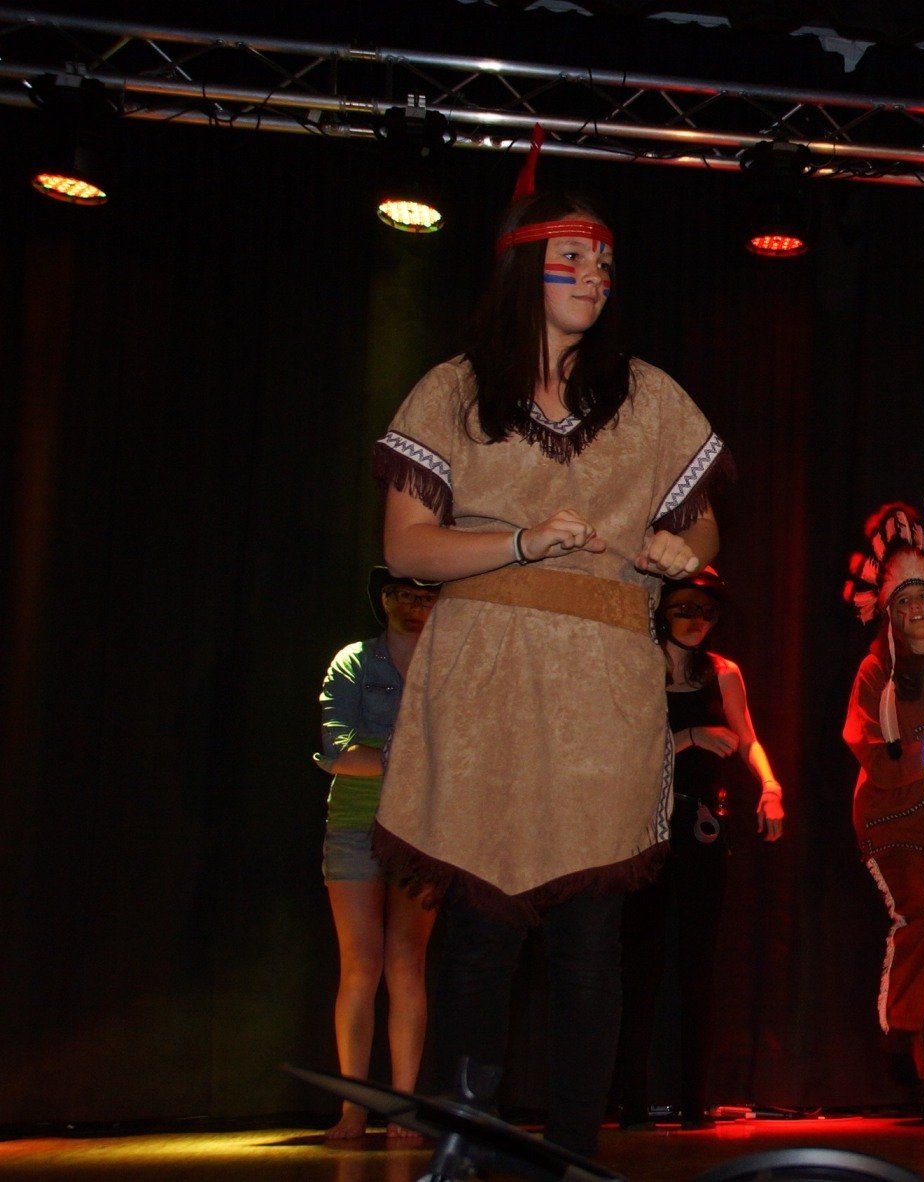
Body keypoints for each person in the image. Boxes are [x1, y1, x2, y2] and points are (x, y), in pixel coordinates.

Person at [370, 148, 729, 1157]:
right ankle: (461, 1145)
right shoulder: (453, 390)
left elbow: (703, 528)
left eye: (605, 262)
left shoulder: (649, 397)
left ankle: (573, 1153)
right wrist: (520, 542)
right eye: (573, 257)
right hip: (485, 677)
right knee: (481, 934)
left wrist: (683, 548)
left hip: (602, 688)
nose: (594, 277)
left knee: (588, 938)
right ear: (525, 264)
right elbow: (406, 547)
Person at [612, 568, 786, 1129]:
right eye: (685, 609)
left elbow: (747, 739)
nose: (696, 621)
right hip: (644, 825)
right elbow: (622, 746)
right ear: (662, 609)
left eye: (706, 613)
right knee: (640, 962)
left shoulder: (722, 672)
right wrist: (688, 738)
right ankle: (630, 1101)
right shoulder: (638, 662)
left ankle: (693, 1100)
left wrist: (771, 787)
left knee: (698, 964)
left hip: (701, 825)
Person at [841, 504, 924, 1126]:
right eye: (905, 601)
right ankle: (901, 1028)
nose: (918, 609)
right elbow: (880, 761)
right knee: (922, 916)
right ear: (889, 613)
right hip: (892, 824)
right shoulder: (877, 673)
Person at [312, 568, 440, 1140]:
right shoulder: (355, 661)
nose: (414, 606)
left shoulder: (451, 664)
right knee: (360, 967)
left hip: (422, 827)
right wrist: (412, 759)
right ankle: (353, 1109)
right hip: (357, 822)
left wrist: (388, 757)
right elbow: (337, 752)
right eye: (403, 595)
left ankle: (403, 1108)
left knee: (407, 963)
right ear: (385, 599)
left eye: (425, 597)